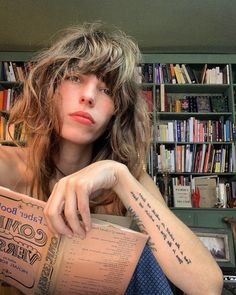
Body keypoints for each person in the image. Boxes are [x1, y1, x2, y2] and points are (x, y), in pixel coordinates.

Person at [0, 22, 223, 295]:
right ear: (51, 88)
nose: (88, 96)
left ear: (117, 111)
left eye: (107, 90)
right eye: (75, 78)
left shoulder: (131, 178)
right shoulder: (6, 163)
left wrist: (118, 174)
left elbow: (206, 285)